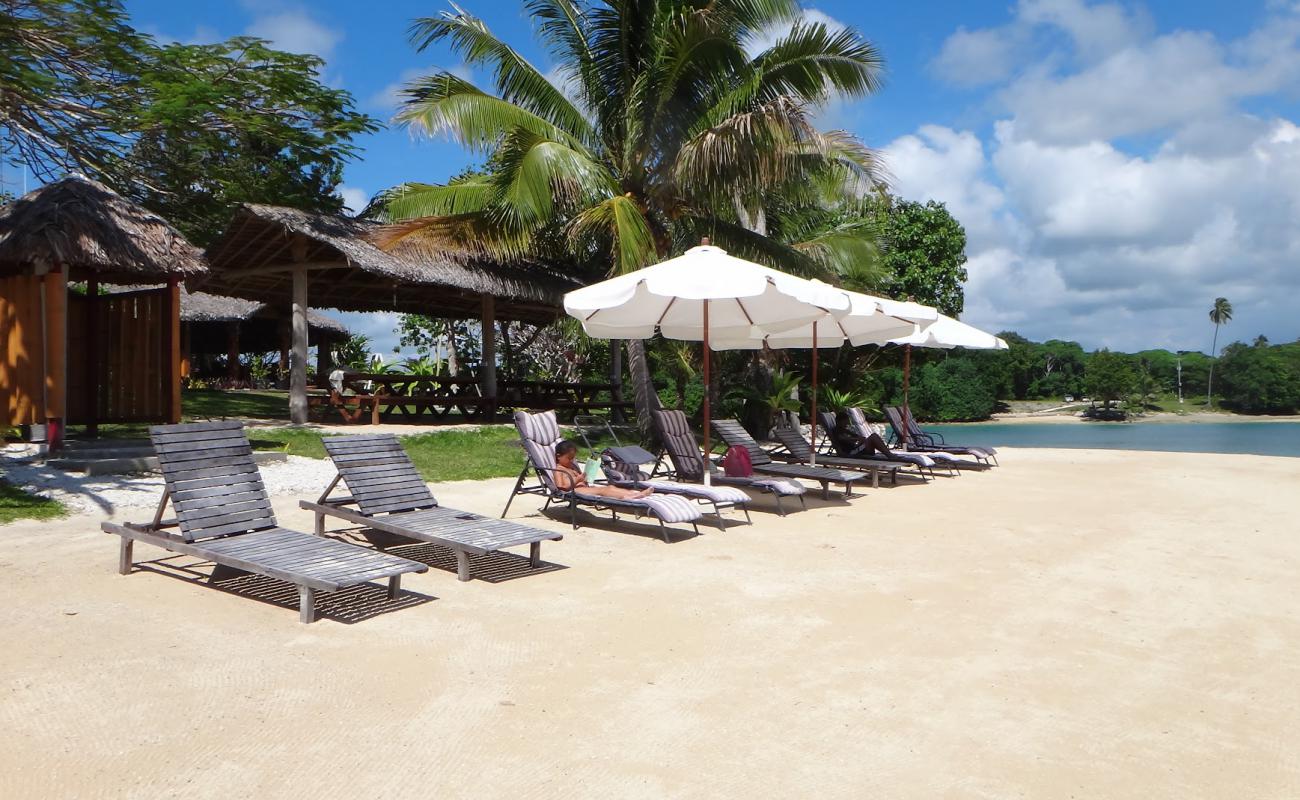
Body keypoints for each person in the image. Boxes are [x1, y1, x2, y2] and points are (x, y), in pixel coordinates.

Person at [554, 440, 654, 499]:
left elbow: (581, 479)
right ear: (559, 456)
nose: (572, 460)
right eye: (569, 458)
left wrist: (585, 477)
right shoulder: (559, 470)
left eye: (573, 458)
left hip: (585, 488)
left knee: (610, 487)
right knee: (603, 490)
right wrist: (577, 480)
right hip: (575, 491)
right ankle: (629, 496)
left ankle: (634, 494)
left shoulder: (571, 467)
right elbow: (561, 486)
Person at [830, 411, 896, 459]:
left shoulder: (845, 430)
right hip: (851, 453)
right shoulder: (836, 430)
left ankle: (888, 454)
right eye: (845, 421)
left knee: (873, 437)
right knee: (873, 436)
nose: (847, 423)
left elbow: (857, 436)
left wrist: (860, 439)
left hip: (855, 449)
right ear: (839, 421)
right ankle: (889, 455)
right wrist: (856, 439)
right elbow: (841, 438)